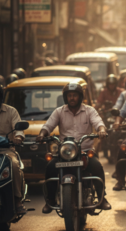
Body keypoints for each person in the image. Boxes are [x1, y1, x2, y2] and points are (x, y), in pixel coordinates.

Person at [36, 82, 111, 213]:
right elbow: (48, 126)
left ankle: (101, 198)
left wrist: (102, 130)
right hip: (65, 152)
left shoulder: (89, 110)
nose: (72, 98)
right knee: (50, 168)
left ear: (80, 97)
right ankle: (51, 200)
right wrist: (42, 134)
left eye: (74, 95)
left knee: (97, 167)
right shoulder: (59, 111)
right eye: (69, 95)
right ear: (65, 97)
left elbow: (99, 123)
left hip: (85, 152)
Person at [0, 86, 26, 215]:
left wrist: (18, 137)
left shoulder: (11, 111)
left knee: (14, 166)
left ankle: (17, 200)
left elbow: (18, 128)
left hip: (6, 150)